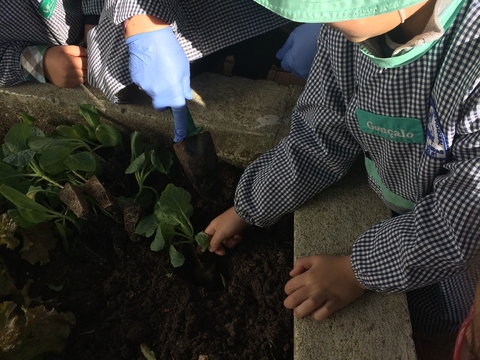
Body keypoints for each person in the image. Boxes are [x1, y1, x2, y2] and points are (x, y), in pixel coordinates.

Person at [205, 0, 480, 345]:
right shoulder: (344, 36)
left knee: (449, 310)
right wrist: (249, 206)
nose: (327, 21)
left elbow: (459, 225)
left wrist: (355, 271)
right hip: (399, 186)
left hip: (462, 241)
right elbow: (320, 135)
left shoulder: (471, 60)